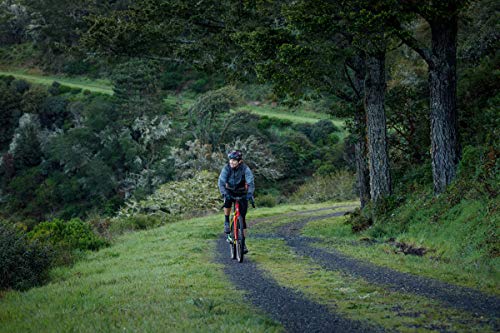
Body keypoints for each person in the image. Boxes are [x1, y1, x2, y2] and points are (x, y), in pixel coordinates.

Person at [218, 150, 255, 253]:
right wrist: (224, 192)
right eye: (230, 160)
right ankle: (226, 221)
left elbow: (250, 182)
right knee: (227, 201)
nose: (231, 162)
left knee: (242, 220)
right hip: (229, 191)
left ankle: (243, 243)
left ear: (240, 161)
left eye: (234, 160)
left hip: (242, 193)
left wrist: (249, 194)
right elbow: (221, 182)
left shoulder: (245, 169)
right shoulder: (227, 168)